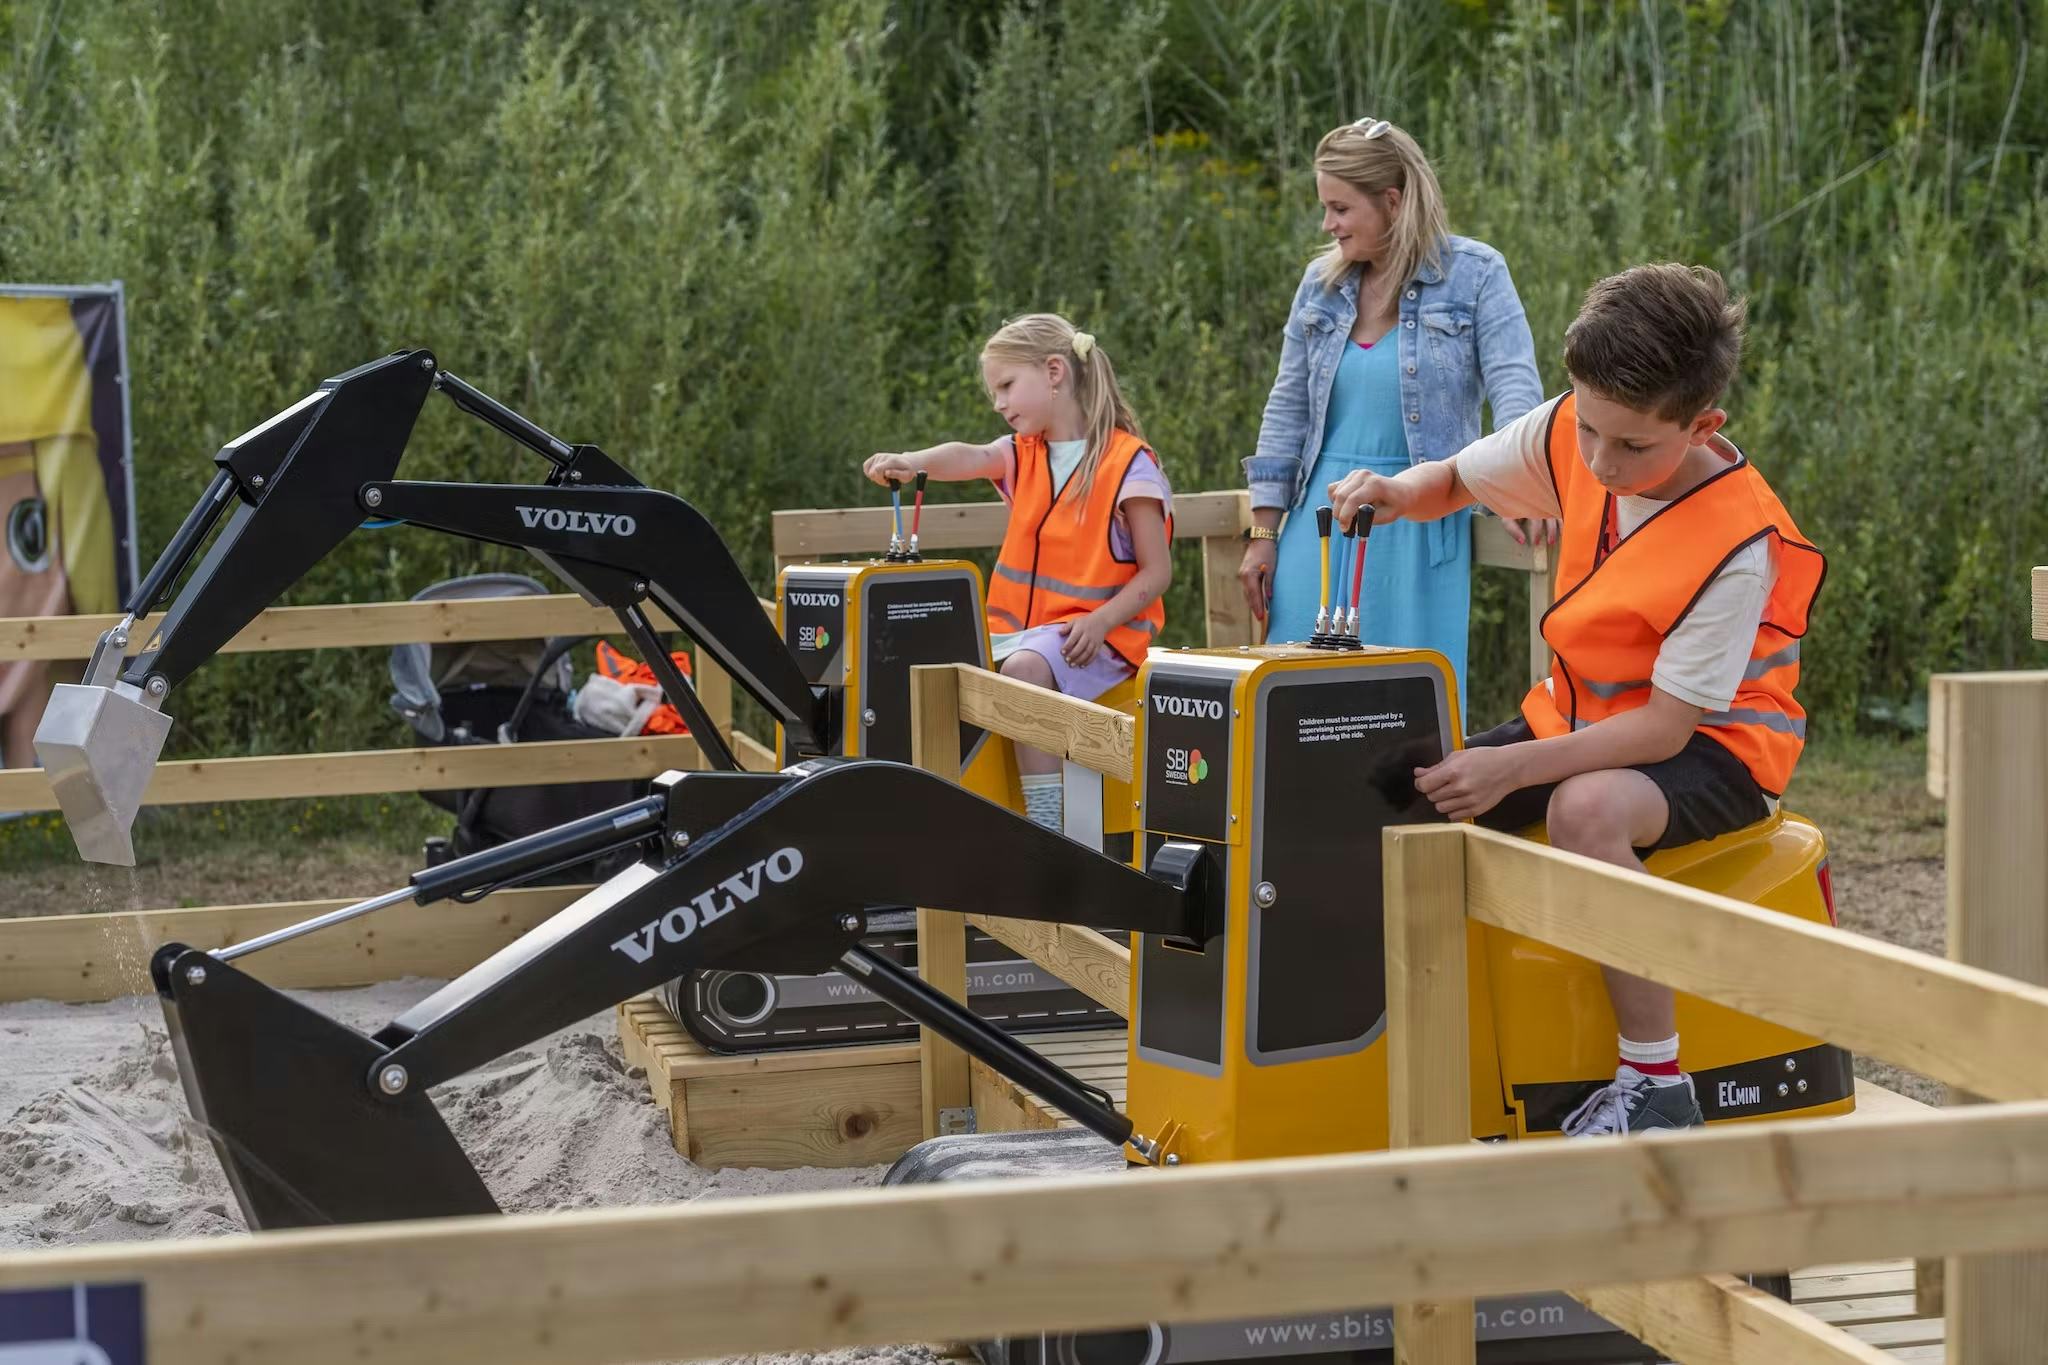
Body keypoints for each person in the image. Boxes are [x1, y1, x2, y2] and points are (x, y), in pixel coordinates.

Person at [1329, 263, 1825, 1137]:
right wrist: (1397, 491)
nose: (1600, 461)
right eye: (1589, 429)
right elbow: (1455, 478)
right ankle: (1425, 1057)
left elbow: (1667, 728)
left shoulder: (1738, 540)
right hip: (1584, 716)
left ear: (1704, 424)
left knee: (1584, 809)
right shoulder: (1576, 429)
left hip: (1718, 744)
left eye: (1632, 446)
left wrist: (1511, 763)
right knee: (1400, 787)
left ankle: (1656, 1084)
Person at [1240, 117, 1545, 708]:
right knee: (1298, 700)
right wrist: (1262, 532)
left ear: (1392, 201)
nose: (1327, 225)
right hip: (1320, 523)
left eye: (1339, 208)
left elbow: (1515, 389)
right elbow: (1287, 406)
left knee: (1407, 706)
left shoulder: (1478, 273)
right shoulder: (1318, 286)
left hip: (1420, 515)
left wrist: (1519, 483)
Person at [864, 314, 1172, 832]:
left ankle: (1045, 828)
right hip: (1020, 634)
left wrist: (1099, 623)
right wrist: (910, 460)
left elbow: (1157, 572)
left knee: (1024, 671)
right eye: (994, 393)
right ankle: (932, 828)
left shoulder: (1129, 464)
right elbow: (970, 454)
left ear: (1055, 371)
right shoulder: (1021, 455)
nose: (999, 404)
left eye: (1006, 386)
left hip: (1099, 638)